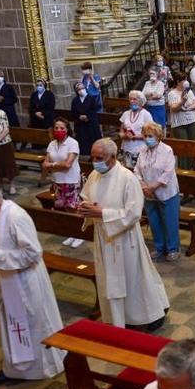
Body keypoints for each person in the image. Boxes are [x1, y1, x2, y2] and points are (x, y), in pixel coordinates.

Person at [0, 181, 66, 385]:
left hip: (25, 280)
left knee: (33, 324)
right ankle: (15, 369)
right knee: (14, 325)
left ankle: (42, 368)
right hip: (8, 280)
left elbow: (33, 253)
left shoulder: (15, 217)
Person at [79, 138, 170, 329]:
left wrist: (102, 213)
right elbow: (86, 196)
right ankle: (116, 319)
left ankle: (144, 317)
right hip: (104, 238)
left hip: (125, 240)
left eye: (100, 158)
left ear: (112, 157)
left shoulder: (127, 178)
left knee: (134, 281)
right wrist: (86, 207)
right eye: (93, 157)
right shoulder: (95, 175)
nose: (95, 162)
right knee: (110, 281)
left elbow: (134, 213)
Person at [135, 122, 182, 262]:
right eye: (145, 135)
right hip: (148, 193)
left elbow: (168, 172)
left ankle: (173, 248)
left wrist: (152, 187)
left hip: (166, 192)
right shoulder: (142, 150)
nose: (147, 138)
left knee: (169, 221)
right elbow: (137, 170)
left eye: (151, 136)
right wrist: (144, 186)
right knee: (154, 221)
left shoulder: (167, 150)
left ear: (158, 136)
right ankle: (159, 247)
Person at [44, 117, 83, 249]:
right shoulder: (52, 144)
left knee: (74, 207)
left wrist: (53, 164)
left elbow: (67, 164)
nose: (59, 130)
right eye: (56, 128)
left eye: (62, 128)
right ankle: (72, 233)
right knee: (66, 208)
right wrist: (54, 165)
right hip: (58, 181)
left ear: (67, 130)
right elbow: (45, 164)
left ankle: (80, 234)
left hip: (71, 180)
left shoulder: (73, 143)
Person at [167, 75, 195, 170]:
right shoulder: (172, 94)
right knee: (183, 147)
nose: (186, 81)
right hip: (179, 124)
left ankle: (192, 168)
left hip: (192, 121)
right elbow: (173, 108)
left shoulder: (189, 92)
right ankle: (184, 170)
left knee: (192, 145)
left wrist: (187, 108)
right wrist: (182, 102)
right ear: (178, 82)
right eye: (184, 80)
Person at [119, 91, 154, 168]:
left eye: (134, 99)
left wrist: (135, 137)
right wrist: (124, 135)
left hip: (140, 150)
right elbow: (120, 132)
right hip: (127, 149)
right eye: (130, 99)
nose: (132, 101)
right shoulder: (125, 114)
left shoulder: (146, 115)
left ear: (141, 101)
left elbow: (151, 134)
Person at [71, 81, 102, 156]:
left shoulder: (91, 98)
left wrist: (87, 117)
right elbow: (73, 111)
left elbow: (94, 109)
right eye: (79, 89)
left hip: (91, 123)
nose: (81, 90)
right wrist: (79, 116)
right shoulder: (75, 100)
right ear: (76, 91)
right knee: (83, 142)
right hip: (80, 124)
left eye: (82, 88)